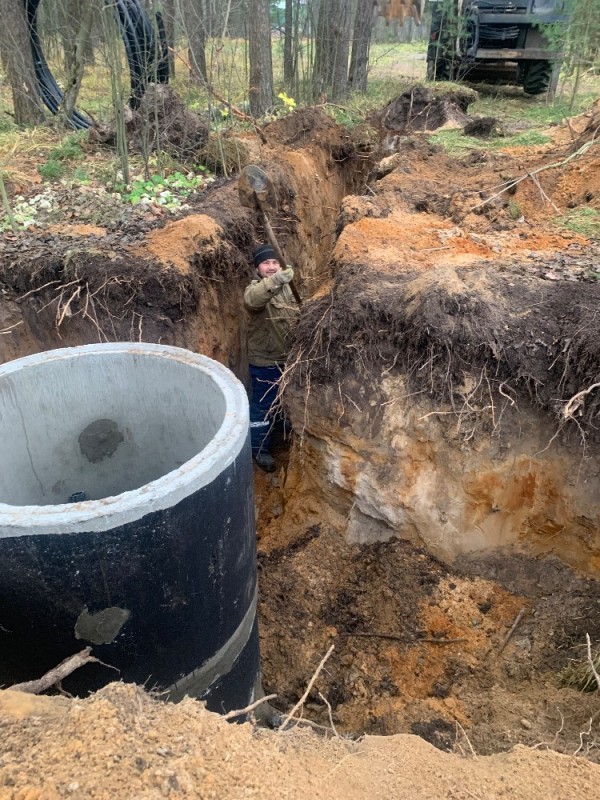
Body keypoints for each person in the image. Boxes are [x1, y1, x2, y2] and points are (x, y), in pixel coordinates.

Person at [244, 244, 300, 472]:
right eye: (266, 263)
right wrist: (277, 280)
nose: (271, 266)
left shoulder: (288, 289)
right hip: (265, 362)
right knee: (262, 407)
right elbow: (253, 301)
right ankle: (258, 447)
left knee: (280, 399)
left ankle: (277, 426)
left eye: (275, 262)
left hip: (287, 358)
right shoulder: (255, 289)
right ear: (258, 269)